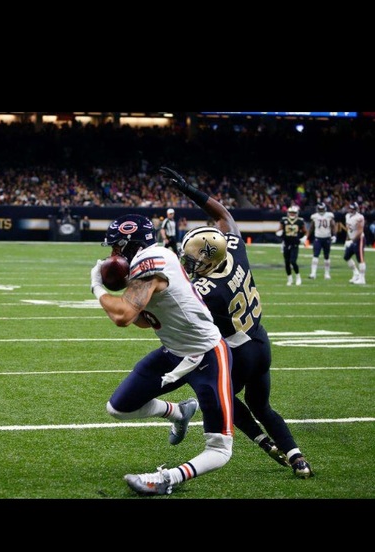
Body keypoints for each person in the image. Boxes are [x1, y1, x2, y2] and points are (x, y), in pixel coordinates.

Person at [160, 166, 314, 479]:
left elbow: (174, 309)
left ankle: (263, 442)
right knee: (262, 406)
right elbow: (224, 215)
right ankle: (298, 459)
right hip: (260, 342)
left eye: (193, 260)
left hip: (238, 353)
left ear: (208, 260)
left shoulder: (208, 291)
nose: (189, 264)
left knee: (220, 396)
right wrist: (191, 190)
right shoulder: (235, 251)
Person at [90, 214, 234, 496]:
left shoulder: (152, 260)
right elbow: (143, 322)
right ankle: (178, 412)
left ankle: (168, 478)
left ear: (131, 245)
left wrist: (96, 287)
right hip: (173, 353)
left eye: (117, 247)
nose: (113, 254)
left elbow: (122, 317)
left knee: (220, 446)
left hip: (206, 355)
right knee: (118, 408)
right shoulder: (147, 263)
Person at [276, 205, 306, 286]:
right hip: (286, 243)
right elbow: (279, 229)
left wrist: (304, 238)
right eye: (291, 212)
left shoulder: (300, 221)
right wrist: (278, 232)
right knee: (287, 262)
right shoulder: (284, 220)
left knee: (293, 261)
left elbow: (305, 231)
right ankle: (290, 279)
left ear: (296, 213)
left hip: (295, 244)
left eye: (294, 213)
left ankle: (298, 277)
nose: (292, 214)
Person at [307, 203, 337, 280]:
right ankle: (313, 273)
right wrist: (306, 237)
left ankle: (327, 274)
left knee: (326, 256)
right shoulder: (314, 216)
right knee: (315, 255)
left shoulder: (329, 215)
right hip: (318, 238)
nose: (321, 211)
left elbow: (333, 225)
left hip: (327, 238)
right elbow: (311, 228)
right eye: (320, 209)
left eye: (322, 209)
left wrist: (334, 235)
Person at [344, 202, 366, 284]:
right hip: (351, 239)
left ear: (356, 209)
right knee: (346, 256)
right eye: (350, 208)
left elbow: (360, 231)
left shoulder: (360, 217)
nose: (350, 210)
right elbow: (348, 230)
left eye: (352, 209)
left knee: (360, 259)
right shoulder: (347, 216)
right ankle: (356, 273)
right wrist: (347, 240)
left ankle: (362, 279)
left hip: (359, 239)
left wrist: (352, 241)